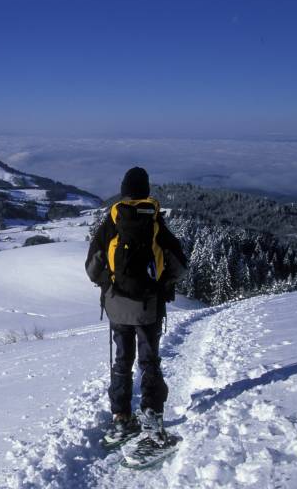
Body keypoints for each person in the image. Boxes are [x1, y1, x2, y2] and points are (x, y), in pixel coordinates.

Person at [85, 167, 187, 449]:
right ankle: (152, 419)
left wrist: (108, 283)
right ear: (146, 190)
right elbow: (180, 265)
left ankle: (120, 418)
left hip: (117, 307)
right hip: (149, 307)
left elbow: (92, 267)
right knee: (149, 360)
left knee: (121, 361)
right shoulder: (155, 222)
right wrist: (161, 283)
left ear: (123, 189)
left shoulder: (112, 221)